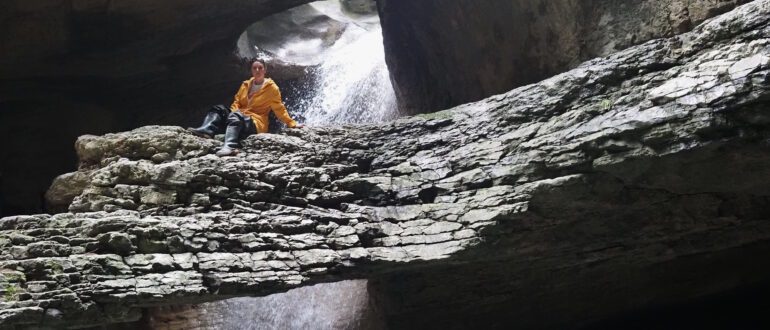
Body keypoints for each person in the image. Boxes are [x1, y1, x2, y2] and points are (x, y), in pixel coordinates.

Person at [188, 58, 304, 157]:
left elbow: (279, 108)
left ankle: (231, 147)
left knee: (236, 116)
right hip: (238, 116)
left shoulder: (271, 88)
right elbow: (237, 102)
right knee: (218, 109)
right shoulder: (245, 85)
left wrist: (291, 123)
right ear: (251, 70)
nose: (257, 70)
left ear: (265, 70)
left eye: (260, 68)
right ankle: (206, 130)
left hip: (256, 122)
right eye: (254, 68)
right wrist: (232, 113)